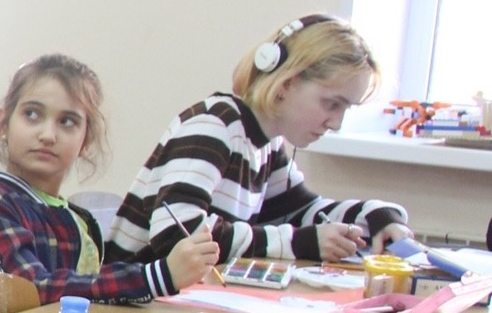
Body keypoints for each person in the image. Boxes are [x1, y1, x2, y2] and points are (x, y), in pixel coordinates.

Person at [107, 14, 410, 267]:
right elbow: (178, 233)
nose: (336, 123)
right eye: (332, 104)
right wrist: (298, 242)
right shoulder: (215, 125)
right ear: (287, 82)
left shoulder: (268, 144)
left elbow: (305, 213)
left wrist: (377, 216)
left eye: (346, 109)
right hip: (130, 301)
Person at [0, 54, 218, 302]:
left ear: (86, 141)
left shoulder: (79, 219)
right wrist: (158, 276)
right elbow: (31, 289)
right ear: (4, 123)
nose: (48, 135)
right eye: (32, 114)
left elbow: (94, 290)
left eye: (67, 121)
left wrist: (179, 264)